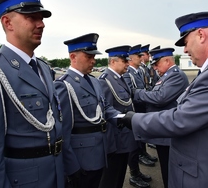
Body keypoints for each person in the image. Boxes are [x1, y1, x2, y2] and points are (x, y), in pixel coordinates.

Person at [119, 11, 208, 188]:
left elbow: (181, 119)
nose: (185, 50)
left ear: (201, 35)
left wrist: (134, 119)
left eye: (185, 43)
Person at [0, 0, 71, 187]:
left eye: (41, 17)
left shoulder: (45, 69)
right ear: (7, 22)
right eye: (32, 17)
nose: (41, 24)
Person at [54, 33, 120, 188]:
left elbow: (105, 109)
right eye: (89, 56)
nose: (93, 60)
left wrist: (125, 117)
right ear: (73, 56)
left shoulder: (94, 82)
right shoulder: (64, 86)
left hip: (99, 153)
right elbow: (63, 132)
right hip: (81, 159)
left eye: (94, 56)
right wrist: (71, 166)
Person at [133, 47, 189, 188]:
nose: (155, 67)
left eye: (157, 64)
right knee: (166, 168)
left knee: (169, 171)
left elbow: (160, 97)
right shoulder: (166, 75)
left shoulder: (175, 75)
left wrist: (137, 93)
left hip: (168, 133)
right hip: (163, 132)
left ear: (167, 61)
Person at [98, 45, 138, 188]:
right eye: (124, 61)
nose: (128, 64)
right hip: (115, 140)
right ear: (113, 62)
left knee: (120, 176)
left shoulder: (119, 79)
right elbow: (107, 112)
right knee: (111, 178)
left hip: (125, 137)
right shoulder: (104, 80)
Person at [123, 44, 153, 188]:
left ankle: (138, 168)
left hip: (140, 109)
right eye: (139, 56)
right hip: (134, 111)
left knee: (139, 141)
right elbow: (131, 94)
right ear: (131, 58)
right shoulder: (128, 73)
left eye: (142, 56)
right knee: (133, 145)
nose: (142, 58)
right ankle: (134, 174)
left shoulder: (138, 71)